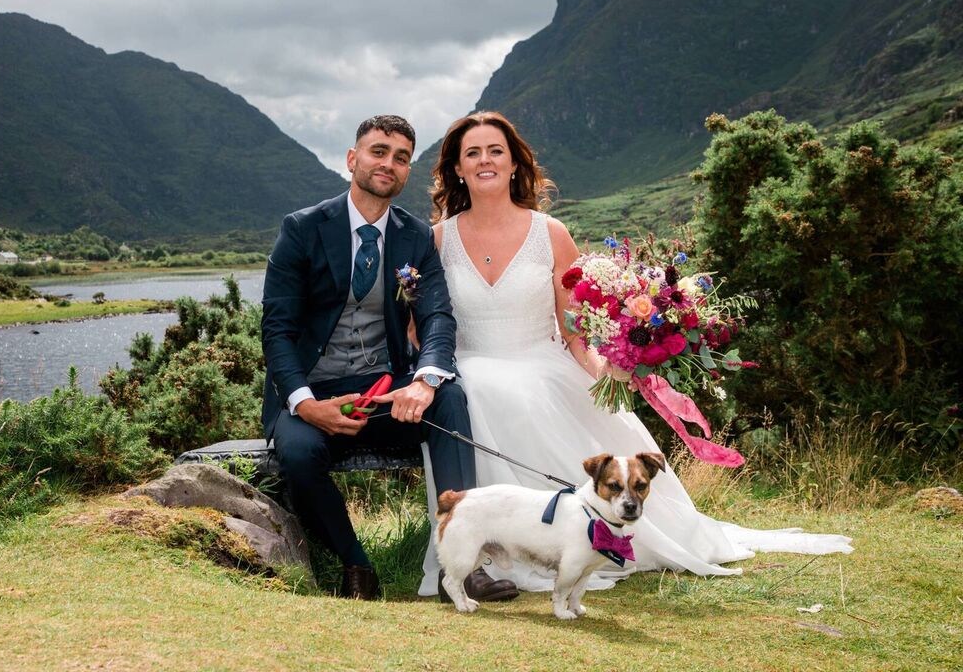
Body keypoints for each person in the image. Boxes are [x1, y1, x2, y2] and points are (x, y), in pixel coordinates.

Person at [416, 111, 852, 596]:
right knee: (473, 391)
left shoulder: (550, 233)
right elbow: (426, 325)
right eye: (471, 153)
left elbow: (575, 326)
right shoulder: (437, 239)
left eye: (495, 150)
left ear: (515, 163)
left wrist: (604, 366)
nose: (484, 161)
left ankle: (576, 542)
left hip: (540, 361)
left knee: (528, 390)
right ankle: (482, 550)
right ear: (456, 168)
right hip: (470, 362)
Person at [262, 114, 517, 602]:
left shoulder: (415, 237)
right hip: (312, 395)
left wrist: (424, 380)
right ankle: (355, 564)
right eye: (379, 151)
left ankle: (459, 571)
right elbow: (277, 329)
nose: (389, 164)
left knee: (450, 400)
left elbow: (438, 316)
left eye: (401, 157)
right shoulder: (302, 229)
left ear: (407, 172)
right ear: (353, 159)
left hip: (384, 392)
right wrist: (303, 402)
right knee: (297, 454)